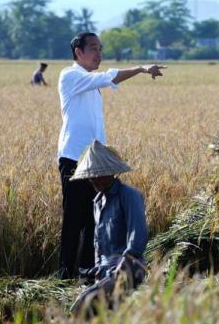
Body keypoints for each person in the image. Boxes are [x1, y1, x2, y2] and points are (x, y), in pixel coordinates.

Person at [58, 32, 164, 279]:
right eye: (93, 48)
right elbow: (108, 77)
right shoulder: (71, 75)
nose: (99, 53)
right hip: (74, 158)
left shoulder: (92, 84)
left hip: (95, 162)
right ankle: (63, 277)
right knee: (73, 219)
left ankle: (86, 275)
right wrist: (141, 68)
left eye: (100, 48)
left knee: (93, 220)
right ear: (78, 53)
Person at [69, 140, 148, 315]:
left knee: (83, 304)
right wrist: (98, 270)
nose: (94, 179)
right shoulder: (97, 202)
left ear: (111, 173)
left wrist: (124, 265)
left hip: (129, 268)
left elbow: (139, 235)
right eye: (91, 176)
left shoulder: (129, 196)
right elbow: (98, 244)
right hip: (106, 272)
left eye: (98, 174)